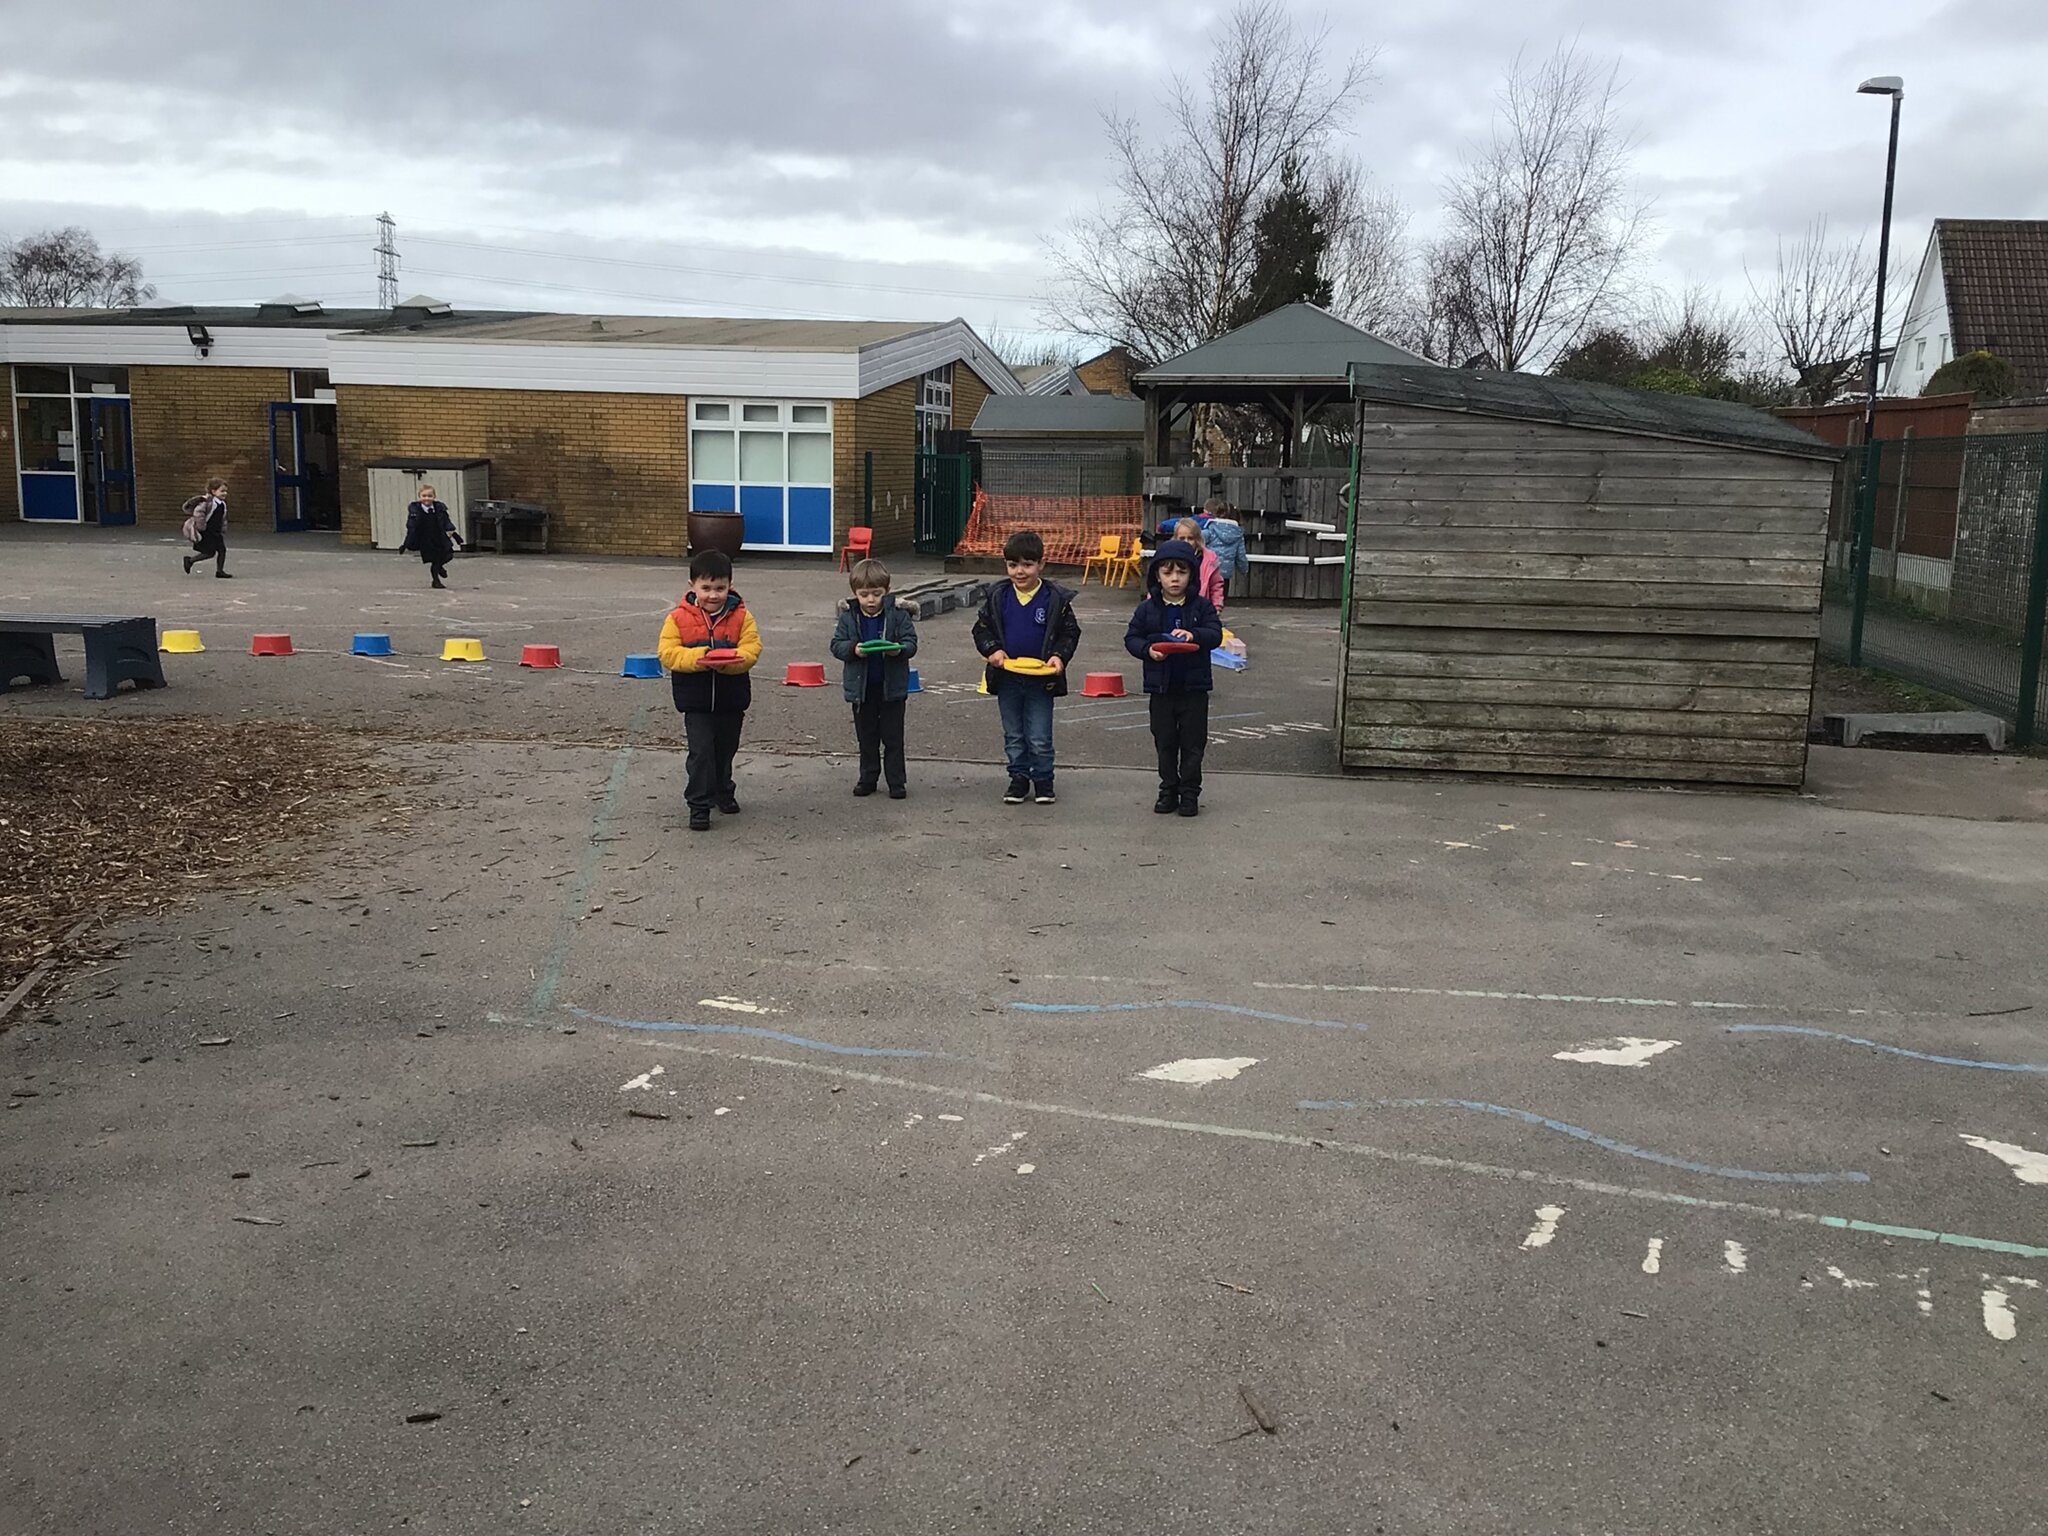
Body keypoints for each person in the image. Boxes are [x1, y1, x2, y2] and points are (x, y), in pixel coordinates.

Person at [972, 528, 1081, 805]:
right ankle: (1018, 778)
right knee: (1014, 733)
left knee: (1040, 735)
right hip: (1007, 677)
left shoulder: (1055, 599)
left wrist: (1059, 656)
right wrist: (992, 650)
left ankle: (1043, 779)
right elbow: (981, 629)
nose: (1020, 571)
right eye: (1013, 565)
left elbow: (1070, 632)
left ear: (1041, 564)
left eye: (1027, 565)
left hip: (1041, 680)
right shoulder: (998, 596)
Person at [656, 550, 763, 832]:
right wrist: (701, 658)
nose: (713, 595)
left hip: (731, 698)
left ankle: (722, 790)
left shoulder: (742, 616)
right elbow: (668, 653)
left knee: (725, 750)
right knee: (701, 752)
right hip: (696, 701)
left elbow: (752, 649)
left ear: (730, 585)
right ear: (692, 586)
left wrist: (730, 662)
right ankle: (699, 805)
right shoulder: (677, 618)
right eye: (706, 588)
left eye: (720, 588)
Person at [1124, 537, 1224, 817]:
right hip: (1162, 689)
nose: (1175, 578)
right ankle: (1168, 789)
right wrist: (1148, 650)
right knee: (1165, 741)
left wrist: (1195, 635)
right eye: (1167, 572)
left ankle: (1189, 794)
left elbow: (1215, 635)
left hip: (1194, 689)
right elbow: (1132, 638)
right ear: (1157, 575)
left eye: (1181, 572)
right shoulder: (1148, 608)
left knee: (1193, 744)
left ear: (1191, 574)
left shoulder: (1201, 607)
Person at [828, 557, 920, 799]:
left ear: (886, 591)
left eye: (876, 594)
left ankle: (896, 782)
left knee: (893, 738)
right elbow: (836, 645)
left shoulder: (898, 615)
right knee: (866, 737)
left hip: (892, 689)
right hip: (862, 689)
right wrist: (853, 650)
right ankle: (868, 778)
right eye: (864, 594)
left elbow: (911, 643)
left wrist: (897, 649)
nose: (870, 600)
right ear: (855, 594)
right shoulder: (849, 617)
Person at [401, 484, 463, 588]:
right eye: (424, 496)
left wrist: (454, 534)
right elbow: (411, 527)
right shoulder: (415, 510)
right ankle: (436, 581)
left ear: (434, 497)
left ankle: (439, 568)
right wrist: (405, 544)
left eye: (429, 496)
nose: (427, 498)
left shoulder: (439, 508)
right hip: (426, 539)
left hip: (439, 536)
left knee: (449, 555)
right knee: (435, 559)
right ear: (419, 497)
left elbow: (446, 521)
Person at [1174, 516, 1226, 614]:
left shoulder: (1209, 559)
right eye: (1182, 538)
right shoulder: (1167, 557)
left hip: (1200, 610)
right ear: (1175, 538)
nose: (1186, 542)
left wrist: (1216, 607)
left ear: (1197, 539)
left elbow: (1216, 586)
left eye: (1190, 538)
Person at [181, 478, 231, 577]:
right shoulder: (207, 502)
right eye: (222, 491)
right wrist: (201, 526)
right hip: (207, 531)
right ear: (213, 491)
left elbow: (222, 518)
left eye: (226, 491)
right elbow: (198, 513)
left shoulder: (222, 504)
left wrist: (223, 529)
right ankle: (190, 560)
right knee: (209, 553)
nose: (225, 493)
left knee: (222, 550)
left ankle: (220, 571)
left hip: (216, 532)